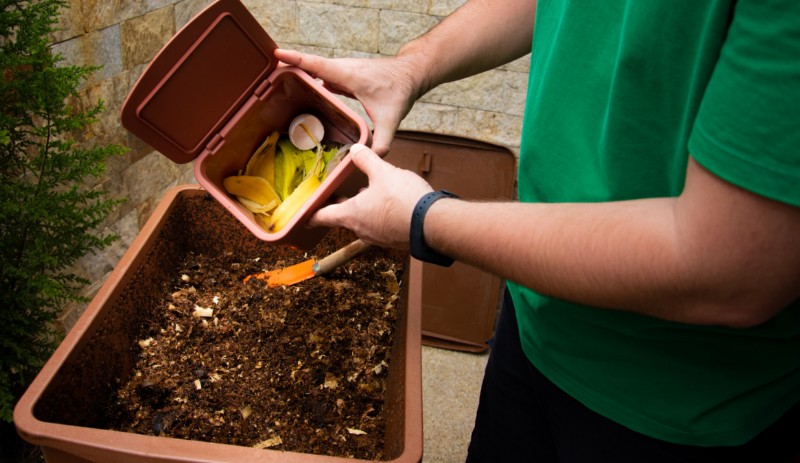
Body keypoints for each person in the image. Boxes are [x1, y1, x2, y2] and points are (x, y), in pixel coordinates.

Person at [275, 0, 800, 461]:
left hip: (676, 402)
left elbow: (725, 270)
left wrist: (425, 218)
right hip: (536, 317)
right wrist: (410, 68)